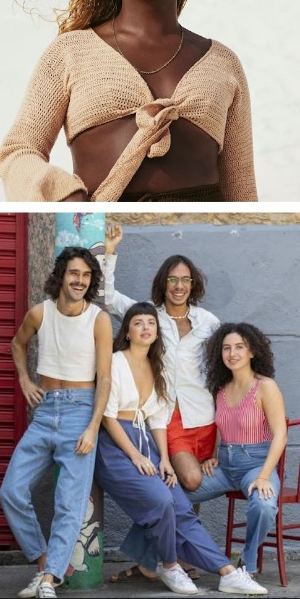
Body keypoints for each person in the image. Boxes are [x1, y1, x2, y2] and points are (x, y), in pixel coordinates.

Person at [0, 0, 257, 202]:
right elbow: (18, 150)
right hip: (101, 218)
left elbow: (241, 185)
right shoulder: (70, 52)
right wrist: (62, 193)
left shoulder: (223, 62)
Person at [94, 303, 267, 596]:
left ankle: (227, 572)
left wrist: (163, 459)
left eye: (151, 322)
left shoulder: (157, 366)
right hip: (114, 446)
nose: (146, 327)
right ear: (127, 331)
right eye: (138, 322)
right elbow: (108, 417)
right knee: (162, 502)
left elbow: (158, 418)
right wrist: (136, 456)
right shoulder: (115, 361)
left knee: (181, 507)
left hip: (146, 439)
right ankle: (170, 565)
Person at [102, 222, 220, 583]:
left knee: (188, 492)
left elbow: (219, 372)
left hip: (204, 415)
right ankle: (167, 558)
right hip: (165, 415)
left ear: (194, 284)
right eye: (172, 279)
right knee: (181, 480)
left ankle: (158, 559)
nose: (179, 286)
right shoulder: (149, 317)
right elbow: (106, 297)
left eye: (185, 280)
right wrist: (110, 252)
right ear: (163, 284)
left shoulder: (209, 322)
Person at [0, 246, 113, 599]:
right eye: (74, 273)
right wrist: (24, 380)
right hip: (46, 411)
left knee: (69, 503)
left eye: (86, 275)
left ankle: (49, 580)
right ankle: (46, 560)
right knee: (11, 492)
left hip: (81, 411)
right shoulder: (40, 313)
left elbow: (105, 379)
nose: (79, 281)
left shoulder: (99, 319)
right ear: (62, 275)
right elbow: (17, 345)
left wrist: (93, 427)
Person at [186, 324, 287, 584]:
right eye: (227, 348)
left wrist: (264, 476)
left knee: (264, 505)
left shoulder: (265, 387)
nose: (232, 353)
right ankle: (167, 559)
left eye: (239, 347)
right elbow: (220, 426)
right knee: (170, 494)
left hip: (256, 465)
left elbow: (280, 435)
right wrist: (211, 455)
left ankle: (248, 561)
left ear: (252, 351)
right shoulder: (220, 389)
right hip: (224, 466)